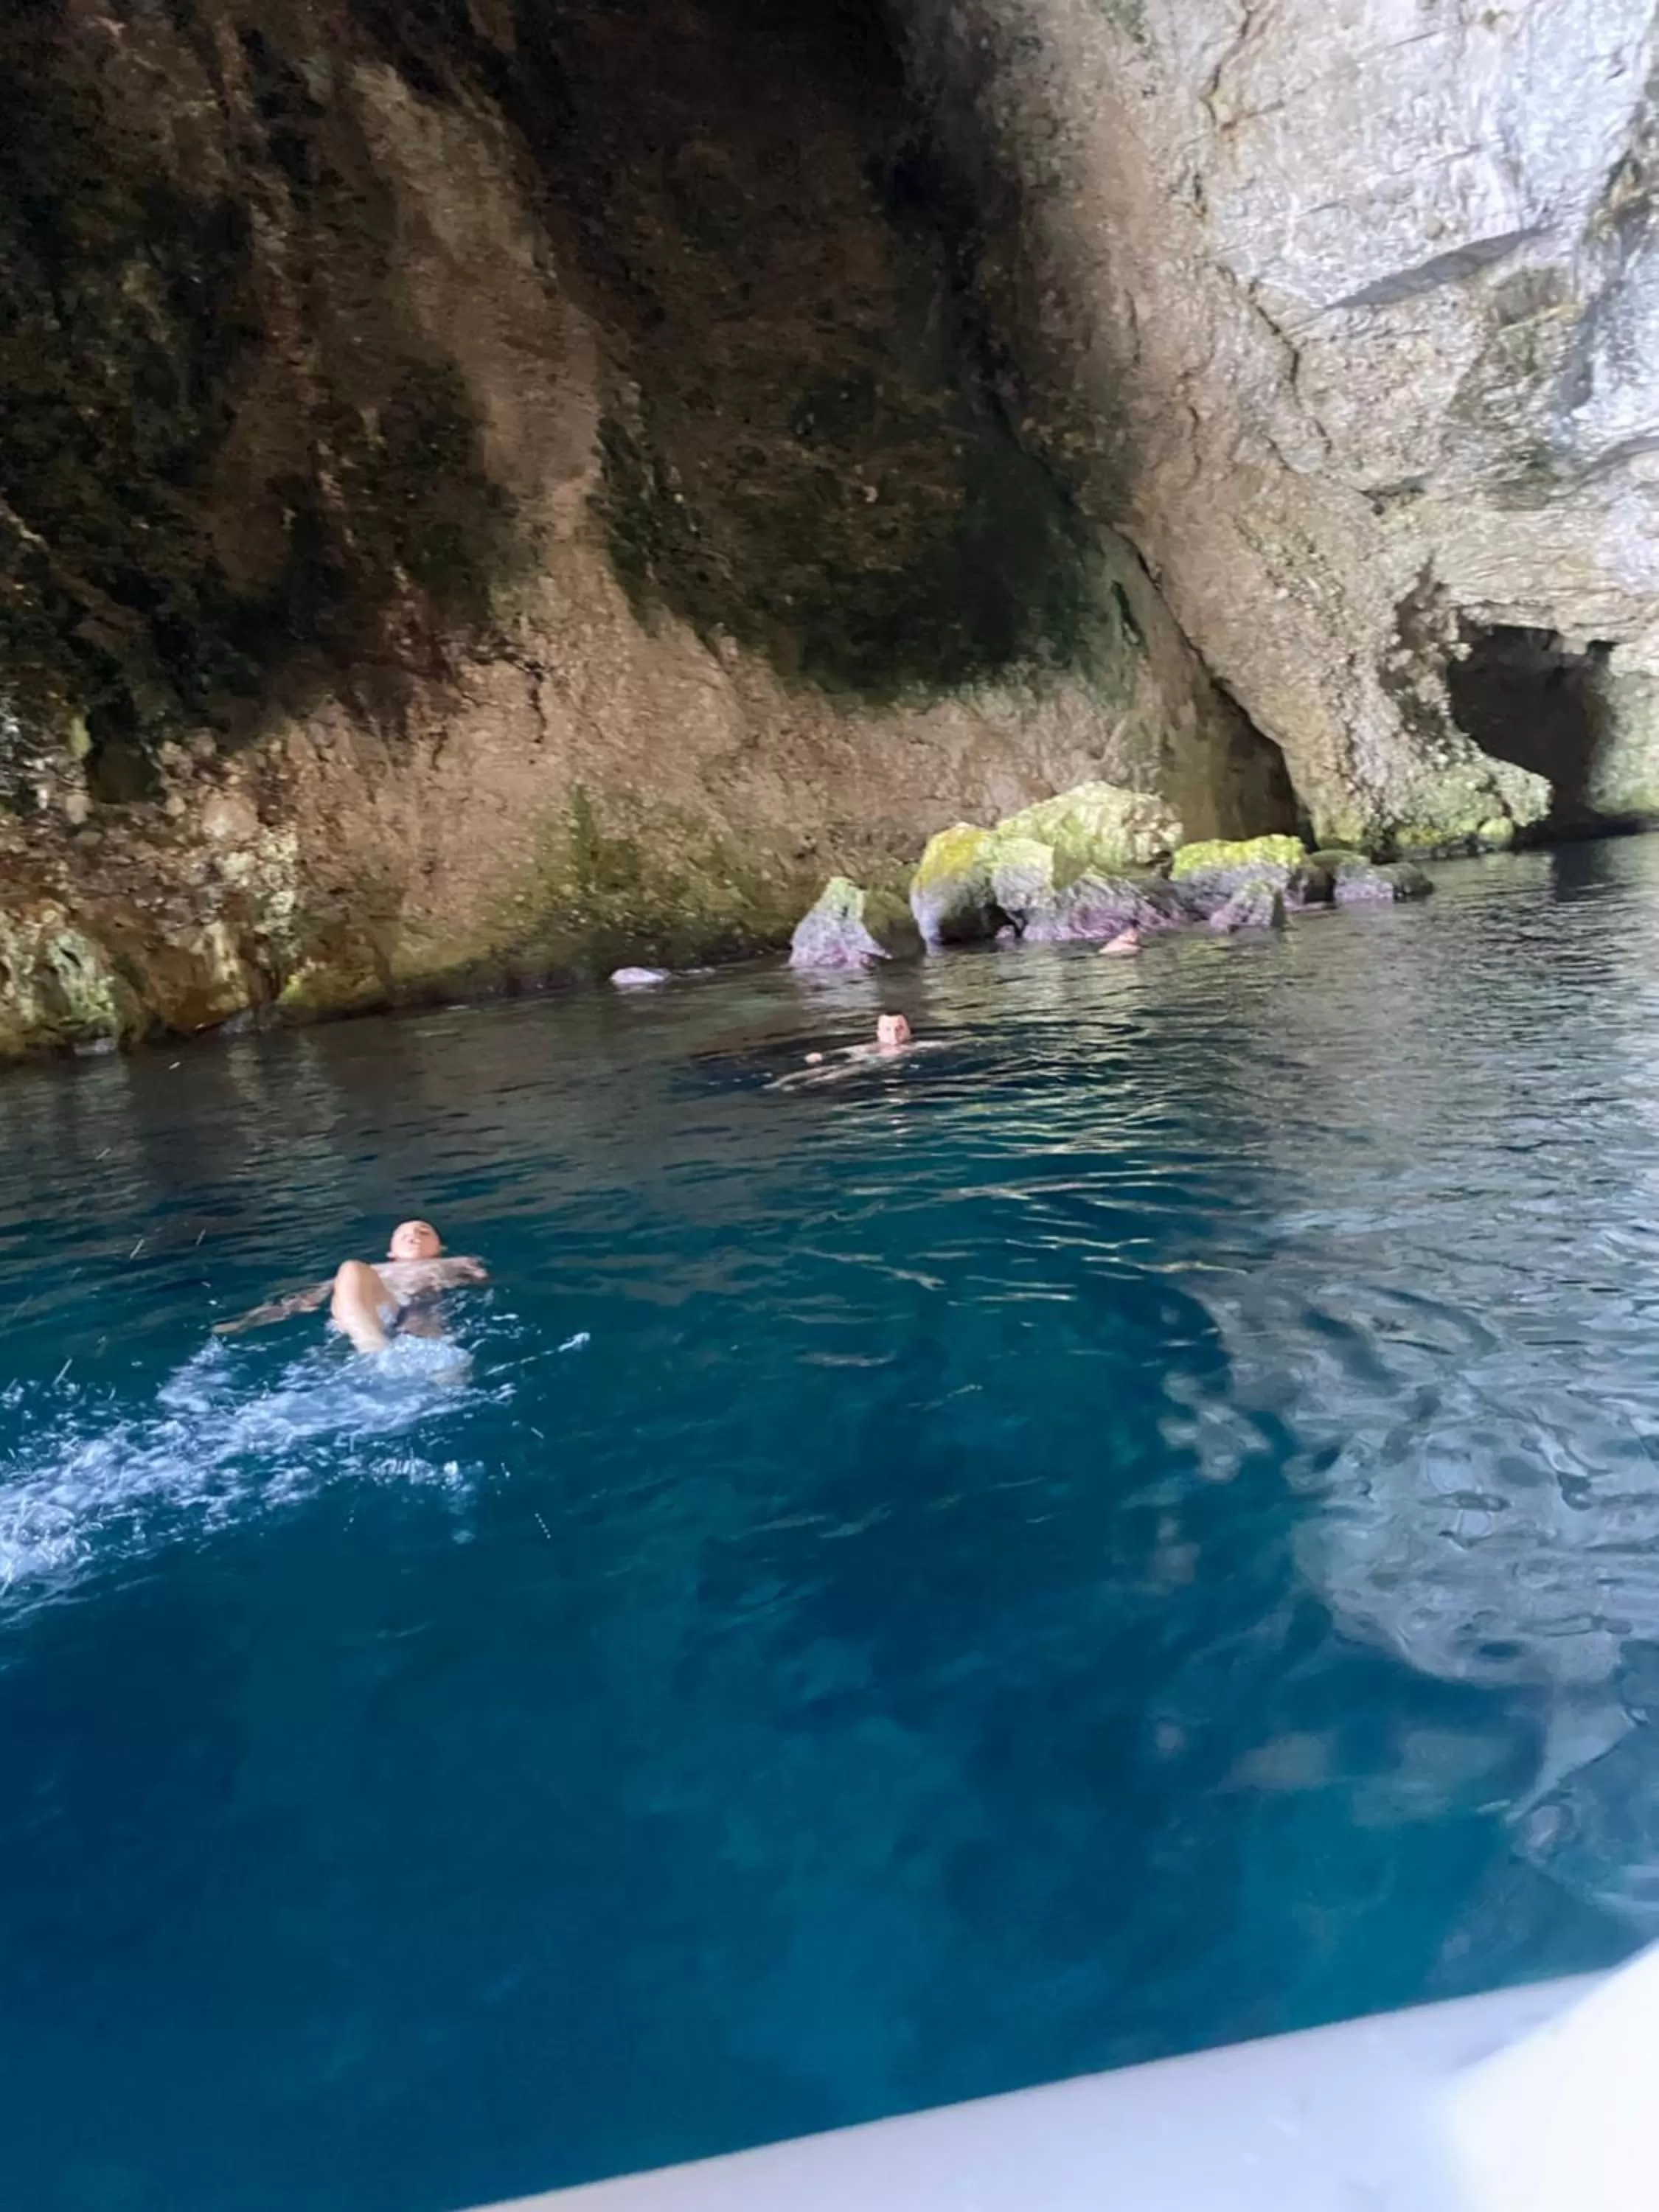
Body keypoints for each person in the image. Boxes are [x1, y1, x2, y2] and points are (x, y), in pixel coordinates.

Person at [213, 1219, 489, 1354]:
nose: (414, 1236)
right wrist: (248, 1322)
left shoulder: (456, 1262)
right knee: (349, 1269)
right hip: (372, 1310)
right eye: (404, 1234)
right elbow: (306, 1299)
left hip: (421, 1311)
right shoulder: (372, 1271)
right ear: (390, 1251)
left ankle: (377, 1351)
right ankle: (373, 1346)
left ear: (439, 1246)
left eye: (424, 1231)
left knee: (444, 1376)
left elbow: (482, 1283)